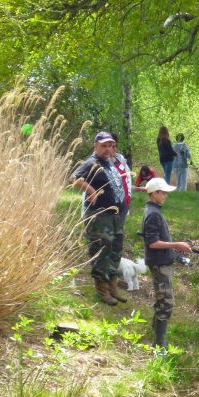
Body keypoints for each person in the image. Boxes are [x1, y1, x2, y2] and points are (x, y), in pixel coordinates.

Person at [70, 131, 128, 306]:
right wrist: (90, 190)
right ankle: (102, 290)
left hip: (115, 216)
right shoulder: (91, 162)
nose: (108, 148)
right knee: (101, 251)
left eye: (110, 145)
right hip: (99, 215)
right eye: (104, 145)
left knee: (115, 251)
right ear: (95, 146)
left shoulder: (110, 162)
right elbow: (74, 178)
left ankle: (112, 287)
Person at [142, 177, 193, 349]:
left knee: (162, 300)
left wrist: (174, 251)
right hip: (159, 263)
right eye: (163, 193)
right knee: (166, 303)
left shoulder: (154, 210)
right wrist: (176, 245)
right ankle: (159, 344)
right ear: (154, 193)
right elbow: (152, 243)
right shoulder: (153, 214)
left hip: (162, 261)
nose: (165, 196)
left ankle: (156, 336)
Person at [110, 135, 133, 220]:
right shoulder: (102, 162)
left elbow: (128, 177)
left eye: (115, 146)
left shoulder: (120, 158)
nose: (115, 149)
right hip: (111, 204)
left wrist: (128, 196)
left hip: (124, 200)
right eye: (112, 146)